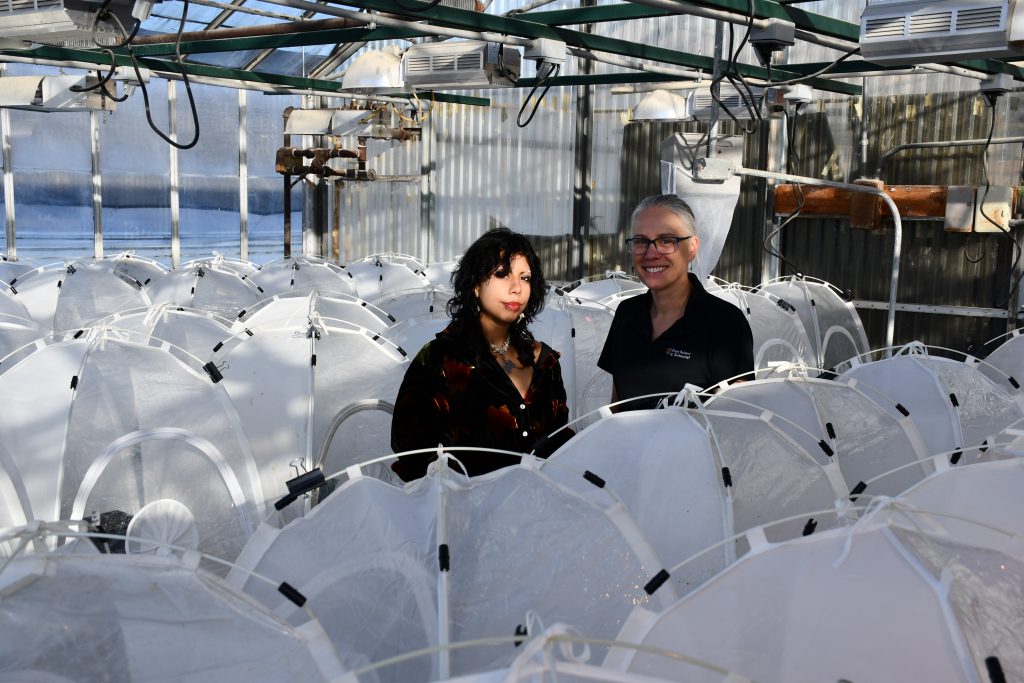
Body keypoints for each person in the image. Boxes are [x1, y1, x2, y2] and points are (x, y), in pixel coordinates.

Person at [390, 228, 573, 481]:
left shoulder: (545, 361)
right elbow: (413, 455)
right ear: (475, 285)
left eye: (526, 278)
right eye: (501, 274)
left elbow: (561, 448)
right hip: (464, 513)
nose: (517, 288)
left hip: (538, 512)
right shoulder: (440, 360)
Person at [598, 194, 754, 410]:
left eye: (666, 241)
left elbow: (737, 419)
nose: (651, 253)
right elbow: (617, 403)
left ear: (692, 247)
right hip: (627, 444)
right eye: (641, 241)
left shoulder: (725, 323)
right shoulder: (627, 314)